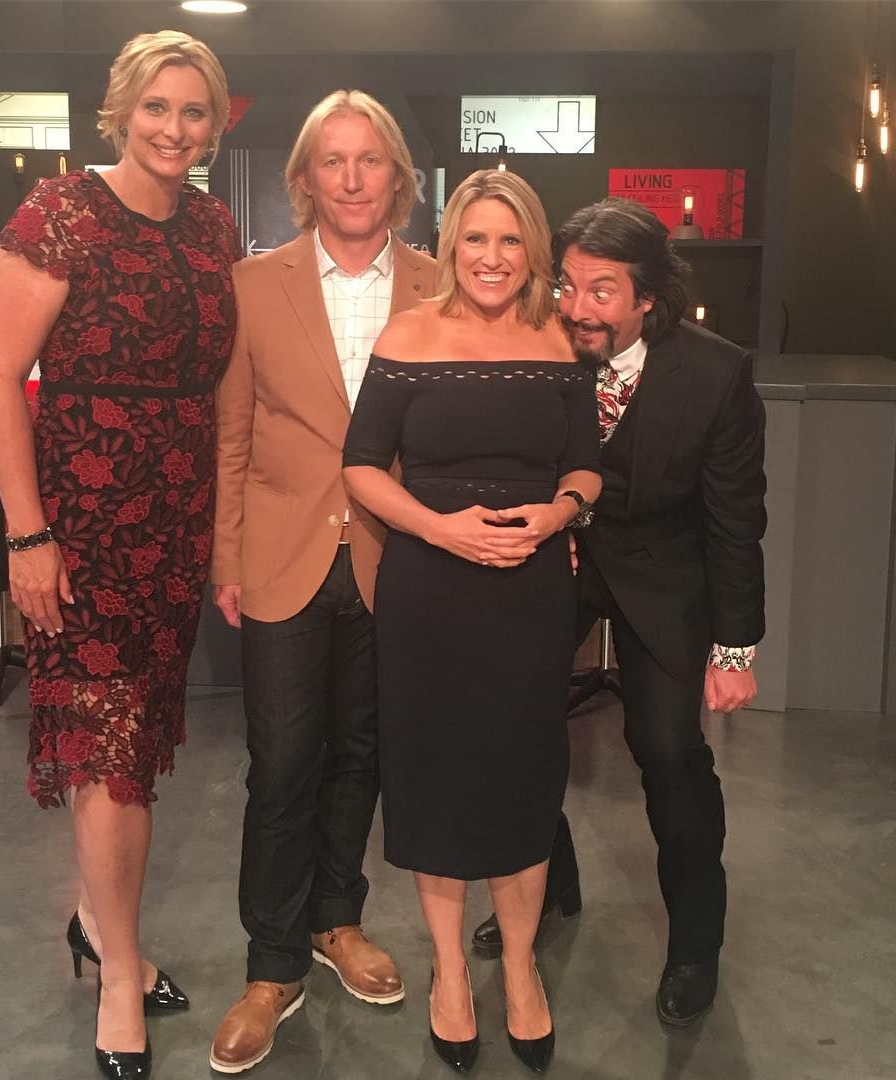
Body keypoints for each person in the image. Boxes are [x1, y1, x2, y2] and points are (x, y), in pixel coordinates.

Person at [0, 30, 237, 1079]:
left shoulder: (212, 225)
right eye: (157, 107)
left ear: (215, 124)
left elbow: (223, 377)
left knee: (134, 746)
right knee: (108, 753)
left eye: (194, 111)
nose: (174, 128)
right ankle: (121, 975)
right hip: (80, 525)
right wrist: (28, 534)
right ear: (121, 110)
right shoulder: (61, 214)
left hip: (175, 521)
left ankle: (97, 924)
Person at [471, 196, 767, 1029]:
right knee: (510, 728)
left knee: (669, 751)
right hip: (554, 564)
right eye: (567, 285)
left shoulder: (716, 374)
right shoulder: (536, 348)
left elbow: (735, 520)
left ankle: (695, 944)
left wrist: (735, 649)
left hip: (665, 576)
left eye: (601, 291)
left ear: (648, 297)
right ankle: (548, 885)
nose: (577, 308)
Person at [342, 169, 602, 1074]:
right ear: (452, 244)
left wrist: (559, 513)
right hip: (430, 591)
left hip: (530, 596)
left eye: (510, 239)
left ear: (533, 249)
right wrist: (437, 527)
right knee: (437, 779)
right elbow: (361, 465)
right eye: (476, 238)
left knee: (522, 778)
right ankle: (451, 972)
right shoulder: (408, 335)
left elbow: (586, 466)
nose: (492, 257)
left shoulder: (560, 340)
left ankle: (520, 967)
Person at [208, 90, 436, 1074]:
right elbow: (233, 434)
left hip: (396, 558)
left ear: (398, 177)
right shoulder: (253, 285)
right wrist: (224, 556)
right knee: (283, 761)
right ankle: (271, 965)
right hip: (280, 554)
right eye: (332, 160)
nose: (351, 178)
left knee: (362, 753)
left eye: (369, 158)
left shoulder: (438, 286)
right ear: (304, 179)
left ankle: (337, 920)